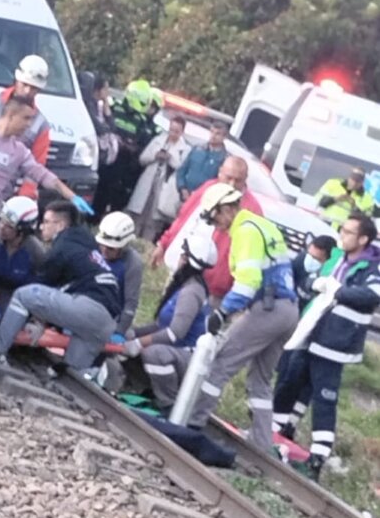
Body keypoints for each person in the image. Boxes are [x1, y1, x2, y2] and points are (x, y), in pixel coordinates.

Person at [187, 183, 298, 450]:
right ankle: (262, 444)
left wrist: (223, 312)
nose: (216, 225)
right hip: (289, 310)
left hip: (268, 309)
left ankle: (192, 423)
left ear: (226, 210)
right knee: (260, 380)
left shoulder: (246, 232)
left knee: (220, 364)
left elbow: (248, 282)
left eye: (215, 218)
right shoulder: (262, 225)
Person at [273, 213, 380, 479]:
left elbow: (371, 296)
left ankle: (318, 457)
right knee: (293, 381)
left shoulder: (371, 267)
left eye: (348, 232)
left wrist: (337, 291)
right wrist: (317, 284)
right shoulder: (339, 260)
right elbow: (313, 281)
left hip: (336, 341)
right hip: (314, 331)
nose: (342, 235)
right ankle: (279, 429)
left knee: (324, 398)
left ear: (363, 239)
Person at [0, 199, 120, 373]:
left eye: (47, 222)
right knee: (71, 374)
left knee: (22, 295)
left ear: (61, 225)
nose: (41, 227)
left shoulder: (62, 247)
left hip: (87, 307)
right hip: (107, 322)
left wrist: (37, 320)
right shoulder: (87, 245)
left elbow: (41, 286)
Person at [0, 98, 92, 232]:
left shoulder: (19, 151)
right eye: (26, 118)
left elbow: (42, 175)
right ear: (11, 115)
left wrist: (72, 197)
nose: (29, 124)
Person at [122, 231, 217, 408]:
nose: (179, 258)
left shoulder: (191, 291)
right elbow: (160, 326)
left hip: (188, 357)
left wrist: (138, 343)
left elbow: (175, 333)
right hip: (177, 353)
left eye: (182, 254)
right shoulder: (186, 286)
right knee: (133, 342)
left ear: (188, 259)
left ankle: (169, 403)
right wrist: (131, 333)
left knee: (153, 353)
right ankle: (142, 388)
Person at [152, 155, 263, 302]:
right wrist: (164, 243)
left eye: (238, 180)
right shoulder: (208, 189)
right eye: (228, 177)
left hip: (213, 286)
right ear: (220, 172)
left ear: (245, 179)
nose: (232, 184)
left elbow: (249, 255)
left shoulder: (252, 210)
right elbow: (184, 218)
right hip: (182, 269)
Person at [271, 234, 337, 423]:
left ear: (326, 260)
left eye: (317, 259)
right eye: (310, 255)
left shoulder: (327, 278)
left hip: (311, 333)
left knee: (304, 381)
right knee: (286, 374)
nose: (311, 261)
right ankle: (277, 417)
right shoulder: (300, 263)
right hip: (291, 327)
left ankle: (289, 423)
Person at [0, 54, 50, 196]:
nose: (27, 91)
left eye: (34, 88)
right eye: (25, 85)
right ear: (17, 80)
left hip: (3, 191)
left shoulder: (41, 125)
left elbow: (35, 168)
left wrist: (24, 198)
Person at [92, 79, 161, 218]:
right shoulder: (114, 108)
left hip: (124, 165)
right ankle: (91, 219)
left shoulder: (140, 119)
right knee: (100, 192)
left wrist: (128, 146)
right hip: (106, 161)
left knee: (117, 198)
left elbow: (140, 145)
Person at [0, 195, 45, 312]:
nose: (1, 227)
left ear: (23, 231)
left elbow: (37, 289)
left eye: (9, 226)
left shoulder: (36, 251)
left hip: (19, 302)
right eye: (1, 221)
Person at [128, 116, 189, 240]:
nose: (173, 134)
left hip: (165, 186)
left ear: (182, 132)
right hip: (149, 180)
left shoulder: (185, 149)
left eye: (176, 131)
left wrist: (170, 157)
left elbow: (181, 168)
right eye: (171, 130)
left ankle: (146, 244)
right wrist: (155, 155)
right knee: (138, 214)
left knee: (154, 219)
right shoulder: (158, 140)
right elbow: (142, 159)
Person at [95, 212, 143, 338]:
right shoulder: (93, 251)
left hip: (109, 318)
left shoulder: (132, 263)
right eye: (102, 246)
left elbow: (131, 302)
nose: (104, 251)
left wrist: (120, 331)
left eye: (111, 248)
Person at [176, 122, 229, 200]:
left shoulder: (225, 159)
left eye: (218, 134)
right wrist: (182, 188)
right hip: (184, 196)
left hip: (203, 201)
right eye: (211, 132)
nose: (213, 136)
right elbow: (181, 170)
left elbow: (220, 184)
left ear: (224, 137)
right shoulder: (197, 149)